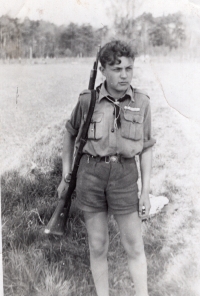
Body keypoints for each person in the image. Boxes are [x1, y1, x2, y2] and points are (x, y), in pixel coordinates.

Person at [57, 40, 156, 296]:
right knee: (98, 245)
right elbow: (69, 134)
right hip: (90, 176)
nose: (124, 75)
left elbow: (146, 148)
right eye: (116, 69)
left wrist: (145, 191)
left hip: (124, 177)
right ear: (102, 70)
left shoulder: (142, 102)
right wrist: (66, 175)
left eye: (129, 68)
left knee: (134, 245)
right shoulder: (87, 100)